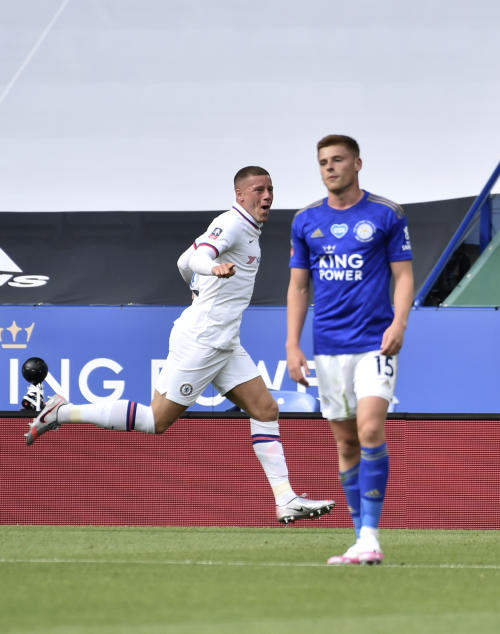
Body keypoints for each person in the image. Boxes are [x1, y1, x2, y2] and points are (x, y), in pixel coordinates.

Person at [25, 166, 335, 525]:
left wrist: (195, 282)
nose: (266, 196)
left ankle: (286, 500)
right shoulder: (232, 223)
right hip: (202, 340)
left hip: (225, 342)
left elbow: (182, 260)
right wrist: (210, 270)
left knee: (265, 409)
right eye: (258, 190)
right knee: (156, 421)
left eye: (270, 189)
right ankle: (60, 412)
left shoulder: (249, 230)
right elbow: (202, 254)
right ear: (240, 195)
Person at [286, 135, 413, 565]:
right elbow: (299, 286)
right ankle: (361, 539)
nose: (329, 167)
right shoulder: (306, 221)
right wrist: (292, 344)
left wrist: (399, 323)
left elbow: (404, 276)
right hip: (328, 348)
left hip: (374, 343)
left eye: (337, 160)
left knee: (371, 430)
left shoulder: (386, 214)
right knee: (345, 445)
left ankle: (372, 536)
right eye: (323, 161)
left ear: (357, 163)